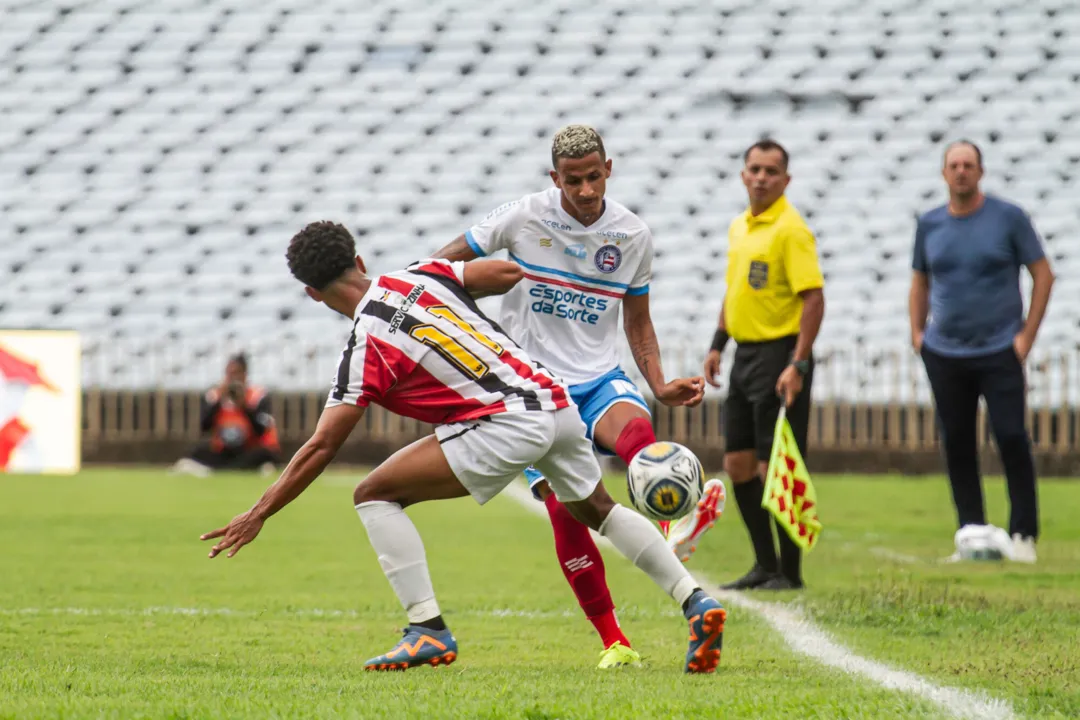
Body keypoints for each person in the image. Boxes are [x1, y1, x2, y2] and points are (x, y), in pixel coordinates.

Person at [200, 221, 727, 674]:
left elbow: (320, 447)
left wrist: (259, 512)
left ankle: (426, 627)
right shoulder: (422, 273)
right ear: (359, 259)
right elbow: (500, 274)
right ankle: (695, 601)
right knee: (598, 510)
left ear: (311, 293)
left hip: (505, 423)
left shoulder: (365, 344)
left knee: (374, 494)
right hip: (553, 398)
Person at [431, 124, 725, 667]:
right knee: (569, 513)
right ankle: (615, 642)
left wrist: (658, 384)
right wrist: (467, 291)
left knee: (640, 440)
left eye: (594, 177)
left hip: (598, 377)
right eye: (573, 181)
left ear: (609, 169)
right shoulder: (523, 215)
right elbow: (438, 267)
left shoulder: (632, 235)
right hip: (533, 391)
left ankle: (674, 521)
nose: (586, 191)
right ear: (554, 179)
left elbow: (637, 321)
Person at [909, 140, 1054, 564]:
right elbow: (919, 280)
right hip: (944, 351)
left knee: (1010, 436)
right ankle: (971, 534)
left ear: (981, 171)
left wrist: (1026, 336)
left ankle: (1023, 534)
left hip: (998, 348)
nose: (961, 172)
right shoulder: (930, 224)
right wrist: (917, 334)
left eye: (968, 164)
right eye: (953, 165)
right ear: (943, 173)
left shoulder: (1008, 218)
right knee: (956, 442)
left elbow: (1043, 274)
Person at [704, 139, 825, 591]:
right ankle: (764, 564)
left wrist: (799, 362)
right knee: (737, 463)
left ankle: (790, 573)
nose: (760, 177)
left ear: (786, 180)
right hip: (744, 355)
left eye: (771, 171)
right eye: (754, 168)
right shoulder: (739, 227)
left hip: (779, 354)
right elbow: (735, 292)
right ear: (742, 174)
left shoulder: (791, 229)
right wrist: (718, 342)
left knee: (777, 465)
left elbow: (813, 297)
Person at [171, 354, 280, 476]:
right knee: (196, 451)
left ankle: (216, 471)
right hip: (224, 449)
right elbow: (204, 426)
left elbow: (261, 430)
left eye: (236, 373)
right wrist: (218, 401)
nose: (233, 378)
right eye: (229, 374)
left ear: (245, 374)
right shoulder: (215, 395)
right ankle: (232, 470)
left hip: (248, 448)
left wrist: (244, 406)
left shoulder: (257, 396)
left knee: (264, 455)